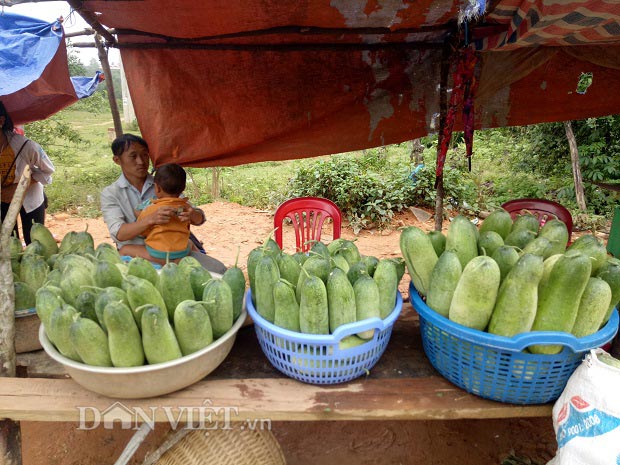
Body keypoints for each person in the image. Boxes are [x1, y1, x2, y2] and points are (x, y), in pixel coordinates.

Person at [100, 133, 226, 273]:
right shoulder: (111, 194)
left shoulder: (163, 181)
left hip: (175, 250)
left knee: (219, 270)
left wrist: (192, 215)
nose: (141, 162)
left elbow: (199, 218)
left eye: (145, 155)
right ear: (117, 160)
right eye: (133, 156)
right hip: (138, 255)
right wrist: (150, 220)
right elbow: (120, 233)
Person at [0, 101, 55, 244]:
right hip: (2, 202)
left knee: (35, 242)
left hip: (30, 198)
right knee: (8, 244)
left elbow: (47, 170)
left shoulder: (26, 146)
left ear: (1, 121)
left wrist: (19, 187)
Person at [135, 163, 192, 261]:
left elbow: (141, 232)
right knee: (190, 242)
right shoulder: (185, 208)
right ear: (183, 188)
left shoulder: (151, 209)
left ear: (157, 188)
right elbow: (186, 225)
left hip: (157, 253)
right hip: (181, 251)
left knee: (124, 249)